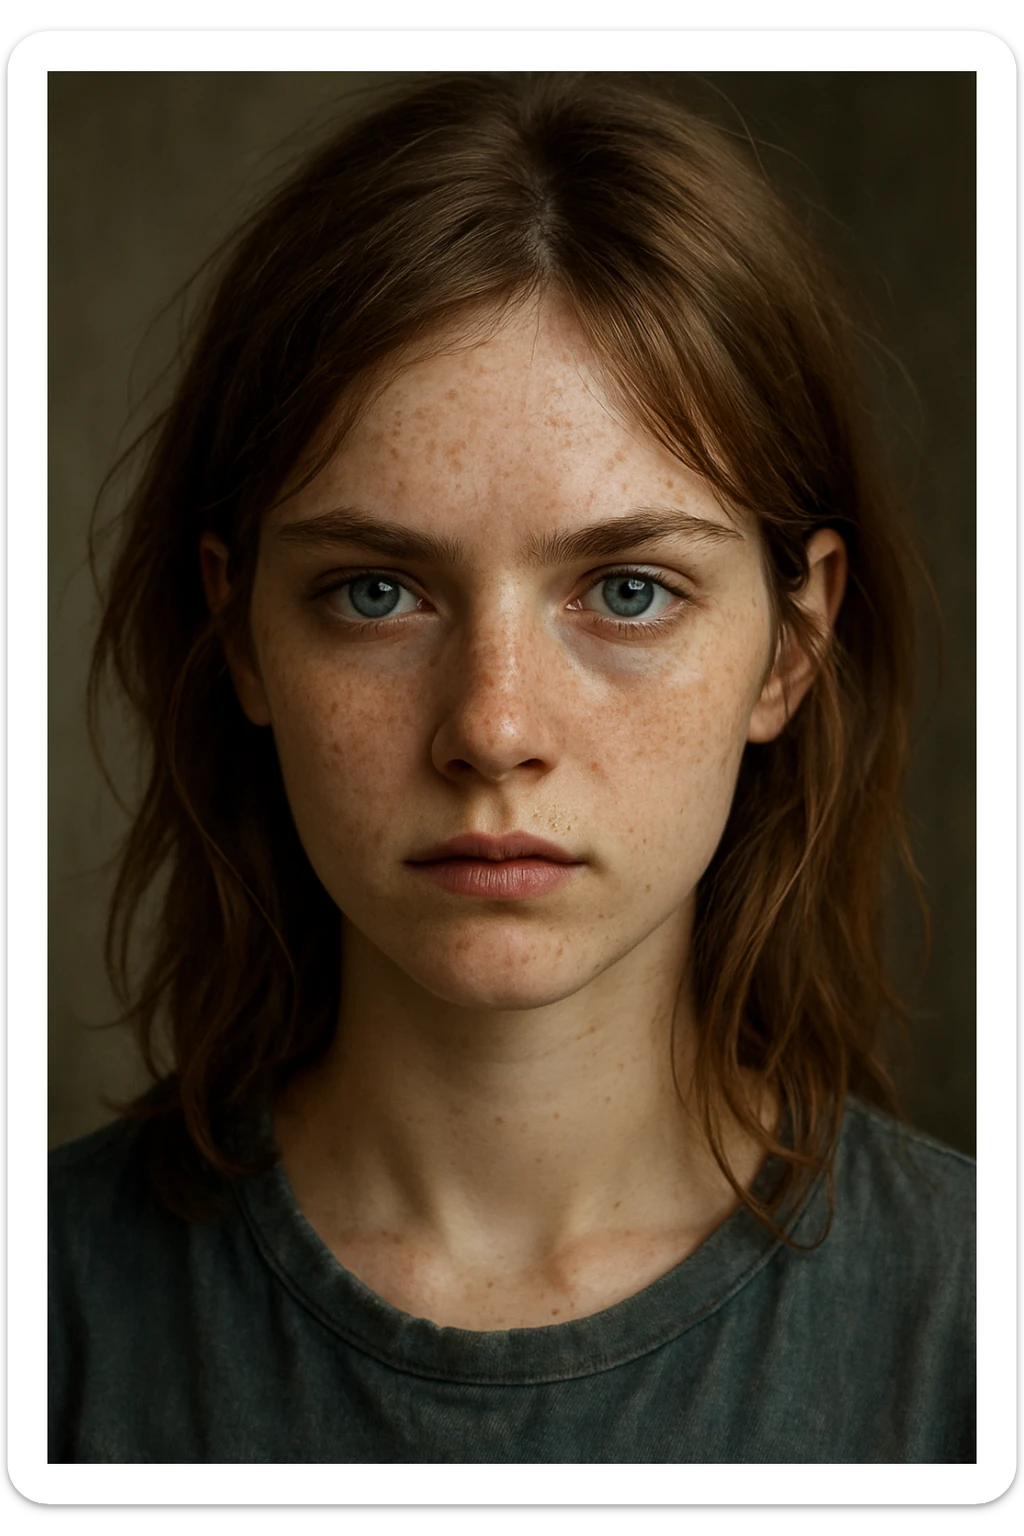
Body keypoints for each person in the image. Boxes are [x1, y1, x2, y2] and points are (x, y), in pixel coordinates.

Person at [48, 72, 975, 1464]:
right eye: (375, 594)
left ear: (791, 645)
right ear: (241, 635)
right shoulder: (48, 1319)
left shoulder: (973, 1328)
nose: (491, 727)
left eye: (627, 591)